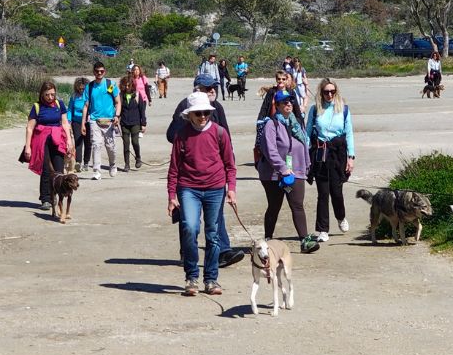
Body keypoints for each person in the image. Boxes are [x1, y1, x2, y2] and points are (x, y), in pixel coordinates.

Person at [165, 74, 245, 268]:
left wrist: (229, 166)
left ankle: (223, 252)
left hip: (214, 178)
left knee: (215, 221)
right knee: (189, 223)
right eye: (207, 87)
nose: (212, 90)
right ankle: (187, 251)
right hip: (189, 177)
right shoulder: (185, 106)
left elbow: (225, 134)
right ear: (196, 88)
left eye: (213, 87)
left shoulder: (216, 107)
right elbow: (171, 135)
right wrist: (190, 132)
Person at [258, 89, 320, 254]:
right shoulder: (271, 124)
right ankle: (268, 239)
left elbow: (304, 147)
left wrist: (307, 167)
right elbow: (269, 150)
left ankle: (305, 241)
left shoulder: (297, 124)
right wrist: (283, 169)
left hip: (296, 171)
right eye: (284, 102)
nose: (288, 104)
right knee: (274, 206)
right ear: (277, 105)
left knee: (297, 205)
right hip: (273, 174)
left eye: (290, 101)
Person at [306, 78, 355, 242]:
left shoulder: (344, 110)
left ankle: (341, 217)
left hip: (338, 153)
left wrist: (351, 157)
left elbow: (349, 134)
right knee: (322, 193)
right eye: (326, 92)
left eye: (332, 92)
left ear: (336, 92)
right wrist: (306, 157)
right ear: (321, 93)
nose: (329, 94)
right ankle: (323, 230)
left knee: (336, 191)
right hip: (320, 153)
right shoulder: (315, 110)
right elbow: (307, 135)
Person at [24, 82, 73, 210]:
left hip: (58, 139)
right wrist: (28, 146)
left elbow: (65, 123)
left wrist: (69, 140)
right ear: (42, 94)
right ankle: (46, 198)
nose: (50, 97)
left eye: (52, 94)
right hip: (42, 140)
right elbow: (30, 128)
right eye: (47, 95)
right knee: (46, 169)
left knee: (59, 169)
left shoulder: (59, 104)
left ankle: (58, 195)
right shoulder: (37, 107)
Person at [81, 62, 121, 180]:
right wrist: (83, 123)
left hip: (109, 121)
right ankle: (97, 171)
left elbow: (118, 102)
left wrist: (117, 116)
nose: (99, 73)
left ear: (105, 72)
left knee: (110, 146)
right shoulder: (89, 87)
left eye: (101, 71)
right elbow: (86, 106)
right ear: (93, 72)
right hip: (94, 120)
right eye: (97, 71)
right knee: (96, 145)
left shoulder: (111, 85)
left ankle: (113, 165)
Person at [119, 75, 147, 171]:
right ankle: (127, 164)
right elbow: (118, 109)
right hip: (124, 123)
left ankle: (138, 158)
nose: (127, 87)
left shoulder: (138, 95)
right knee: (126, 144)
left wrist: (143, 123)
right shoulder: (121, 95)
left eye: (129, 85)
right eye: (125, 85)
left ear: (132, 85)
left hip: (135, 122)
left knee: (135, 142)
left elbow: (142, 110)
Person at [67, 77, 91, 172]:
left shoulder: (89, 96)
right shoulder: (74, 96)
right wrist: (68, 121)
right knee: (78, 142)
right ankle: (78, 162)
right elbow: (69, 110)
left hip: (88, 121)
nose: (81, 90)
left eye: (83, 89)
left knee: (88, 143)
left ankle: (86, 162)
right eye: (80, 88)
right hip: (76, 121)